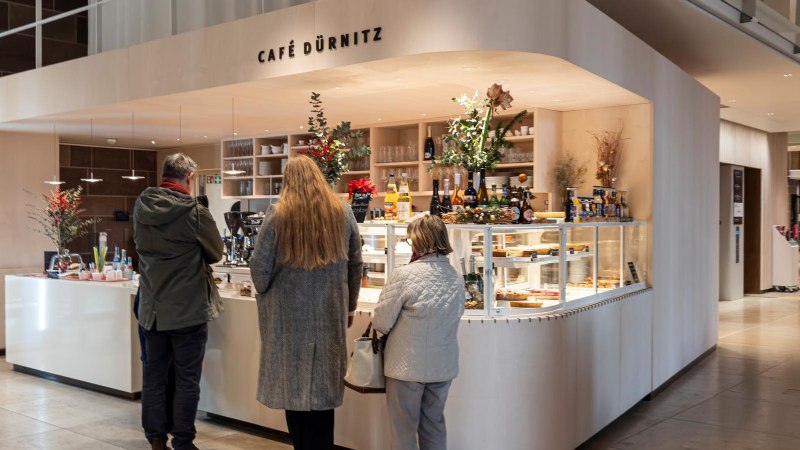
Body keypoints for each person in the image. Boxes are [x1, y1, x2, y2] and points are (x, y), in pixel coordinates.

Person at [250, 155, 362, 450]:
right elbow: (356, 265)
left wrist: (269, 289)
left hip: (287, 320)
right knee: (323, 397)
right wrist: (349, 306)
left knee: (294, 391)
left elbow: (260, 270)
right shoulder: (343, 213)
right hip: (329, 315)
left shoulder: (278, 215)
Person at [133, 153, 224, 450]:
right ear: (189, 177)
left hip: (151, 310)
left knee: (154, 377)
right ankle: (183, 442)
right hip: (187, 310)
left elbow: (140, 247)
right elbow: (215, 253)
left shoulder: (141, 205)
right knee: (187, 379)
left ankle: (156, 439)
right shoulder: (195, 213)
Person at [372, 215, 465, 450]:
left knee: (404, 431)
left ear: (418, 241)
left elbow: (382, 322)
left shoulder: (404, 275)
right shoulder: (455, 276)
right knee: (434, 426)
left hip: (406, 367)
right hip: (442, 366)